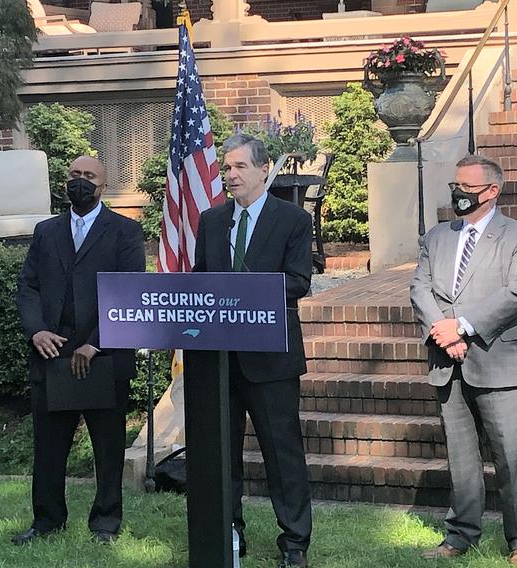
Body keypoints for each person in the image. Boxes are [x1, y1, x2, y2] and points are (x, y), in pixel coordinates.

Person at [410, 154, 517, 565]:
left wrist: (462, 327)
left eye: (467, 188)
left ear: (492, 191)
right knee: (461, 457)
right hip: (448, 361)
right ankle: (460, 534)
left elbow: (516, 293)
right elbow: (420, 288)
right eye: (456, 186)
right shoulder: (437, 236)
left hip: (500, 363)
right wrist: (444, 333)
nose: (458, 194)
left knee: (512, 457)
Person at [193, 133, 313, 568]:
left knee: (282, 455)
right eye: (226, 168)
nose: (231, 175)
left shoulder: (292, 221)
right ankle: (230, 534)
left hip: (271, 360)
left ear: (264, 170)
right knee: (222, 455)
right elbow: (200, 279)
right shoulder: (211, 221)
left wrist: (248, 292)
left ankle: (295, 542)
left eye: (240, 167)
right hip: (219, 363)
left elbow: (298, 281)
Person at [12, 155, 146, 545]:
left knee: (107, 446)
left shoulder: (124, 232)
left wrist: (97, 342)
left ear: (104, 186)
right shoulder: (46, 231)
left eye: (89, 176)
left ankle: (105, 522)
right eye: (74, 175)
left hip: (102, 356)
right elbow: (28, 287)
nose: (79, 181)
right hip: (51, 353)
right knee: (49, 447)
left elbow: (129, 292)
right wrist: (36, 331)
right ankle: (47, 520)